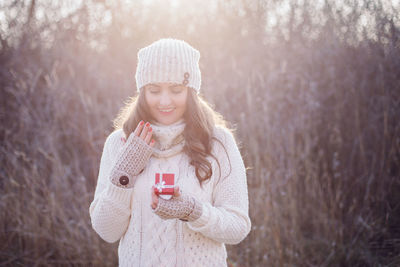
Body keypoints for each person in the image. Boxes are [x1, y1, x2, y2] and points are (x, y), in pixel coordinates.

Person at [89, 38, 251, 267]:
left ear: (191, 91)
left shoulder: (218, 142)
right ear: (142, 92)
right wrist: (124, 174)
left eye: (176, 90)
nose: (165, 101)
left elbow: (237, 228)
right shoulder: (120, 143)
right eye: (154, 90)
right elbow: (107, 231)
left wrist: (193, 212)